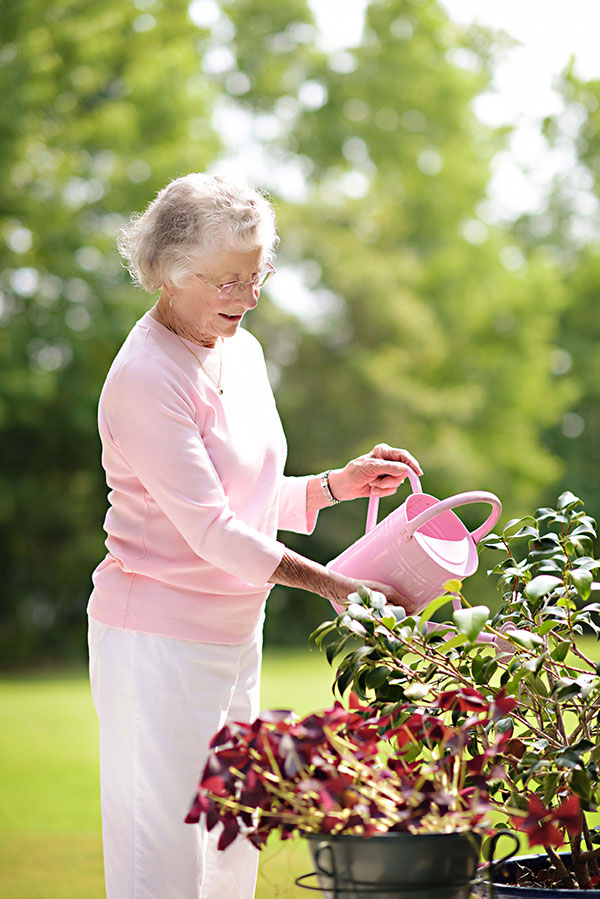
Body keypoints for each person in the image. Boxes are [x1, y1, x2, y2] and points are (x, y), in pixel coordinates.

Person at [87, 172, 422, 899]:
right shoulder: (145, 376)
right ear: (172, 273)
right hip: (157, 642)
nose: (251, 295)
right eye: (230, 279)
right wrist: (336, 586)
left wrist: (336, 484)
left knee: (229, 839)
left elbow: (249, 496)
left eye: (258, 272)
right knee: (163, 859)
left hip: (235, 632)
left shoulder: (242, 351)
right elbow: (211, 529)